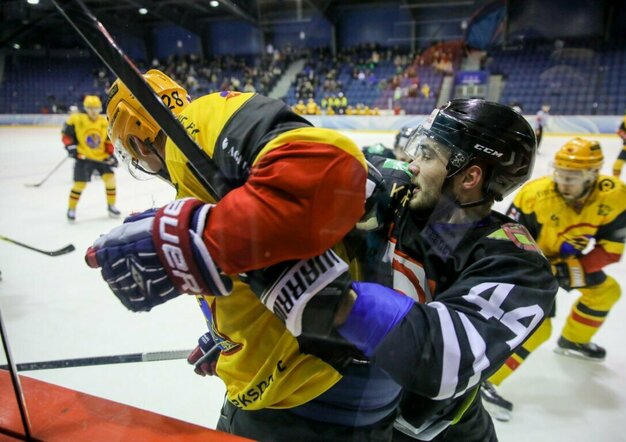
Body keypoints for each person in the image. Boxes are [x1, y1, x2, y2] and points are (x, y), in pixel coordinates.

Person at [88, 69, 403, 441]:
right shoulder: (191, 160)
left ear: (139, 146)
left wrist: (199, 242)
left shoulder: (193, 128)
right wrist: (227, 337)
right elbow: (268, 241)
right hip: (329, 385)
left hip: (302, 399)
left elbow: (329, 173)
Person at [227, 100, 558, 441]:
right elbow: (300, 178)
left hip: (440, 431)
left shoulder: (516, 264)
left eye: (427, 155)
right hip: (357, 411)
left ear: (470, 176)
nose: (411, 164)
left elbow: (443, 357)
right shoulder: (395, 188)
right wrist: (251, 329)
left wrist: (336, 302)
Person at [482, 138, 626, 422]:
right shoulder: (535, 196)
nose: (564, 181)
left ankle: (574, 341)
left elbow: (611, 250)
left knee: (606, 291)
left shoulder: (616, 197)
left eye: (573, 176)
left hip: (567, 264)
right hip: (529, 265)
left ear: (593, 175)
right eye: (560, 173)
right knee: (538, 328)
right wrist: (539, 273)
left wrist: (568, 270)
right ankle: (484, 380)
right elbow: (508, 242)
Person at [62, 95, 120, 222]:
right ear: (85, 108)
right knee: (79, 185)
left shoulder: (104, 122)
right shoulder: (76, 119)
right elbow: (66, 135)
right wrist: (70, 147)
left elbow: (107, 141)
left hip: (101, 158)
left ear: (100, 108)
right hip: (84, 157)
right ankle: (71, 208)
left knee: (110, 181)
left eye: (96, 108)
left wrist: (111, 155)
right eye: (90, 108)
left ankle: (111, 206)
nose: (93, 111)